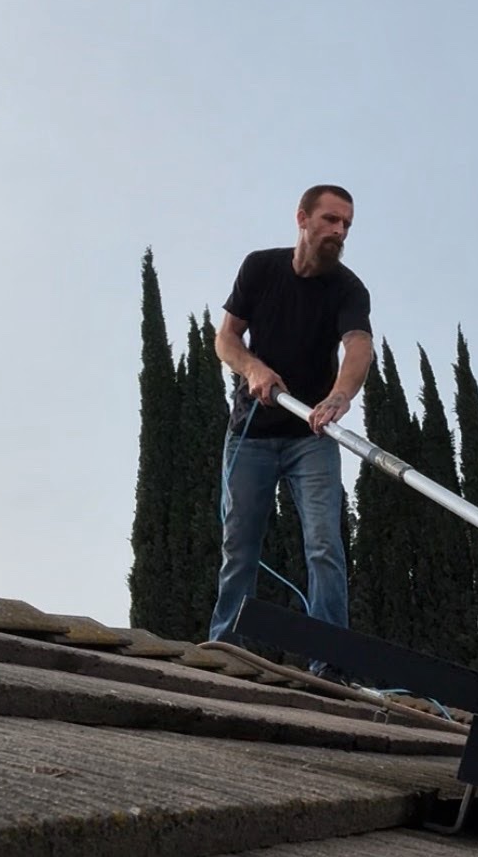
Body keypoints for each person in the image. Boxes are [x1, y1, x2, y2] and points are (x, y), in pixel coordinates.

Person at [207, 184, 374, 681]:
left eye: (346, 224)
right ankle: (224, 650)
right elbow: (226, 338)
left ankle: (332, 662)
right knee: (239, 544)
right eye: (330, 220)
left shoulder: (348, 289)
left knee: (324, 544)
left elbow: (358, 347)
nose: (339, 231)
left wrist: (338, 397)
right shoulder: (260, 268)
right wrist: (253, 368)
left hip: (311, 437)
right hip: (251, 435)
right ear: (302, 218)